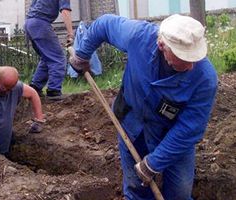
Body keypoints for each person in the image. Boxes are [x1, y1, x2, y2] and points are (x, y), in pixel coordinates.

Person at [70, 14, 218, 199]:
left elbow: (190, 128)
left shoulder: (205, 78)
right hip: (133, 126)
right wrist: (82, 54)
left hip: (174, 138)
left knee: (180, 193)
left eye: (194, 57)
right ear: (162, 45)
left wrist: (153, 164)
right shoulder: (138, 36)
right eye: (184, 57)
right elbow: (104, 24)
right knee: (136, 189)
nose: (191, 66)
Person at [25, 0, 74, 100]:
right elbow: (65, 11)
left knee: (47, 57)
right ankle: (53, 91)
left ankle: (35, 88)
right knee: (58, 58)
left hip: (29, 23)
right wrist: (70, 33)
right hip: (40, 24)